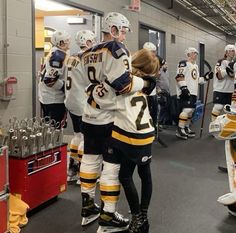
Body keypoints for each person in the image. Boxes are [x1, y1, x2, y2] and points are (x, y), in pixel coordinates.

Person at [79, 12, 154, 232]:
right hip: (109, 118)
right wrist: (146, 83)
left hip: (89, 112)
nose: (123, 35)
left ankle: (87, 206)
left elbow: (86, 86)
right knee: (112, 169)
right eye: (122, 30)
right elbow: (124, 85)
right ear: (112, 29)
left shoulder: (88, 51)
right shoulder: (117, 49)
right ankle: (107, 215)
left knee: (90, 159)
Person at [109, 49, 159, 232]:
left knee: (125, 175)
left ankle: (137, 217)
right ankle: (143, 218)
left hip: (131, 134)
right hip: (147, 134)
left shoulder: (124, 81)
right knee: (145, 175)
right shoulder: (146, 83)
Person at [64, 30, 97, 183]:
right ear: (89, 42)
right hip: (82, 102)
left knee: (77, 135)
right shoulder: (89, 58)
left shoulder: (71, 58)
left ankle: (73, 168)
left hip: (71, 101)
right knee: (87, 137)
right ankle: (84, 172)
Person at [175, 47, 213, 140]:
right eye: (193, 53)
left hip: (193, 92)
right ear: (188, 54)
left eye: (196, 53)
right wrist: (184, 88)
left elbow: (197, 80)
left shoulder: (195, 66)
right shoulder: (183, 63)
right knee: (187, 110)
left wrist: (206, 77)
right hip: (185, 91)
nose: (196, 54)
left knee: (191, 111)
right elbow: (179, 76)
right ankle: (180, 129)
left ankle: (186, 127)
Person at [38, 30, 70, 128]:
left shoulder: (53, 52)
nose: (69, 42)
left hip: (47, 97)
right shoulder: (59, 55)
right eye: (67, 40)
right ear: (61, 43)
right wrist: (66, 87)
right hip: (54, 99)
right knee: (55, 130)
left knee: (50, 129)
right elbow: (50, 80)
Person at [211, 44, 236, 121]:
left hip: (231, 90)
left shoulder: (234, 63)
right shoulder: (221, 62)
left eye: (234, 51)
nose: (233, 52)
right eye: (231, 50)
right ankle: (213, 124)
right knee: (218, 107)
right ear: (226, 52)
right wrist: (228, 69)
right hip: (220, 89)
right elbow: (219, 76)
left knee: (231, 110)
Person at [157, 61, 172, 126]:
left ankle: (162, 122)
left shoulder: (167, 72)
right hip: (161, 92)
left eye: (167, 64)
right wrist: (158, 89)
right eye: (165, 64)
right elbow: (156, 81)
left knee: (165, 108)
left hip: (167, 92)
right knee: (161, 108)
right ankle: (158, 123)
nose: (167, 66)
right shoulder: (159, 72)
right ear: (162, 65)